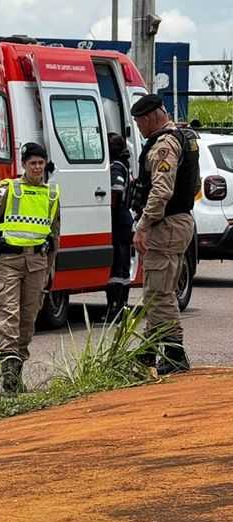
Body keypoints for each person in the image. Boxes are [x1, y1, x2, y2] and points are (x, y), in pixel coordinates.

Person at [0, 142, 61, 394]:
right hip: (8, 262)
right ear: (24, 165)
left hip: (36, 263)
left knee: (28, 320)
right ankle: (10, 380)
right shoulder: (8, 189)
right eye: (32, 163)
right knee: (8, 316)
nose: (37, 167)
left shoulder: (52, 194)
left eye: (41, 163)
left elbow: (55, 234)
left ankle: (17, 372)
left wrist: (50, 268)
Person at [129, 94, 199, 375]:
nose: (139, 128)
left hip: (166, 224)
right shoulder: (184, 138)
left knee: (159, 293)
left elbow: (161, 191)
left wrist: (143, 225)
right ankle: (148, 352)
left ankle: (174, 354)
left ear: (148, 119)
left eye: (138, 123)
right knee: (155, 290)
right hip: (178, 223)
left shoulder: (165, 144)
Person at [104, 133, 135, 322]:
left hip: (119, 218)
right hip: (123, 218)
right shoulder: (125, 165)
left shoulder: (116, 167)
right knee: (121, 263)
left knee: (118, 263)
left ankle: (116, 307)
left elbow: (116, 191)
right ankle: (119, 307)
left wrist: (106, 210)